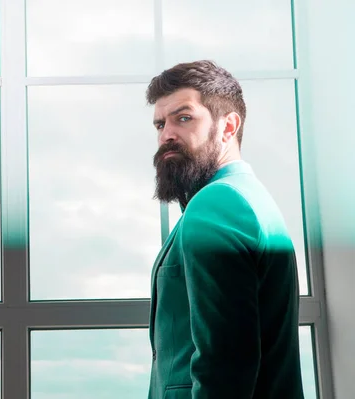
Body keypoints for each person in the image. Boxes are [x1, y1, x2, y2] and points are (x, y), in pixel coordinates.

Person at [146, 60, 305, 399]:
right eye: (160, 124)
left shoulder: (219, 203)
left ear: (228, 127)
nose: (166, 135)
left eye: (183, 118)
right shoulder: (249, 199)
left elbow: (225, 360)